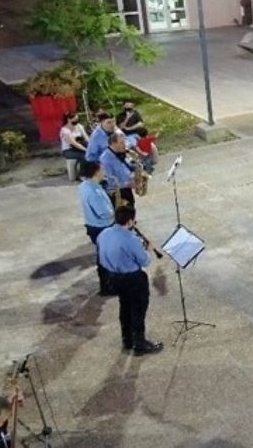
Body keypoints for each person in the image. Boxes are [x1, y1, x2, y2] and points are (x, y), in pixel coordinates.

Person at [98, 205, 163, 355]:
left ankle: (127, 340)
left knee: (125, 307)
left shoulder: (104, 233)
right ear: (129, 221)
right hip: (133, 279)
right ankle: (140, 344)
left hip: (114, 277)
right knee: (138, 310)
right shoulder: (131, 239)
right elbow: (144, 261)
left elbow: (101, 259)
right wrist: (148, 249)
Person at [79, 161, 115, 296]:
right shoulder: (94, 192)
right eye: (102, 169)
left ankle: (107, 284)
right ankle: (107, 287)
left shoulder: (85, 186)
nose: (104, 171)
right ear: (96, 172)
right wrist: (118, 212)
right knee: (105, 258)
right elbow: (103, 213)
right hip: (102, 228)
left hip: (93, 226)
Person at [100, 132, 136, 208]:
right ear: (113, 143)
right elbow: (109, 181)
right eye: (122, 142)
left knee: (131, 211)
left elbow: (126, 168)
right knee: (124, 216)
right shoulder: (105, 159)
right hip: (116, 194)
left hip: (126, 189)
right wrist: (128, 184)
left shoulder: (121, 153)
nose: (125, 145)